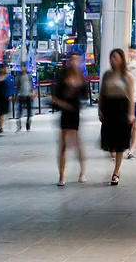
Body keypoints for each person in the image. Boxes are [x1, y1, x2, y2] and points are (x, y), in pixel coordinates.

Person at [99, 49, 134, 186]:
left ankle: (116, 172)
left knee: (120, 143)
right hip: (109, 108)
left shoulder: (127, 76)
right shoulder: (107, 75)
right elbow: (101, 94)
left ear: (121, 59)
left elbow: (130, 96)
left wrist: (131, 113)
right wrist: (99, 110)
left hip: (122, 109)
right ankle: (114, 160)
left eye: (116, 58)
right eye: (111, 57)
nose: (113, 60)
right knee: (109, 141)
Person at [52, 53, 88, 186]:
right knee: (63, 145)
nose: (74, 62)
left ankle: (82, 172)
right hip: (65, 112)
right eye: (72, 60)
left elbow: (84, 97)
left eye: (77, 60)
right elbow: (55, 96)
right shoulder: (63, 77)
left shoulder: (82, 79)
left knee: (77, 143)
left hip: (75, 112)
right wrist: (62, 103)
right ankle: (62, 175)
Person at [15, 63, 35, 132]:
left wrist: (33, 92)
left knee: (29, 111)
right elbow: (17, 85)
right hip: (21, 95)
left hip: (28, 95)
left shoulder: (29, 75)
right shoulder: (19, 76)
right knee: (20, 111)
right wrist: (17, 94)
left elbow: (32, 84)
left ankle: (28, 124)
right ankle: (19, 124)